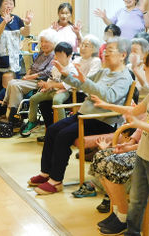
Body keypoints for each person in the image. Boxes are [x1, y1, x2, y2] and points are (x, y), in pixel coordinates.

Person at [86, 44, 149, 235]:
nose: (145, 68)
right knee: (138, 199)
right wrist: (106, 105)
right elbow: (134, 111)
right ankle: (132, 232)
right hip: (144, 154)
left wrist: (137, 124)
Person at [27, 37, 133, 195]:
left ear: (123, 55)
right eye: (106, 50)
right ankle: (46, 173)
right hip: (85, 115)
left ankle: (56, 181)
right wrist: (67, 75)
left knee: (63, 136)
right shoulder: (104, 72)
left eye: (110, 51)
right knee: (52, 130)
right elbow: (83, 84)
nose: (105, 54)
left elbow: (109, 97)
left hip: (102, 120)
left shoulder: (124, 77)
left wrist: (87, 84)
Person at [36, 34, 102, 142]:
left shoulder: (96, 61)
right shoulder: (76, 60)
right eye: (82, 44)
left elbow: (87, 80)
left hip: (82, 93)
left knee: (57, 101)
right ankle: (51, 132)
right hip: (70, 90)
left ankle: (60, 132)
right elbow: (65, 76)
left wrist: (65, 86)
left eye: (87, 45)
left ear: (94, 48)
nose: (83, 47)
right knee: (44, 104)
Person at [0, 29, 56, 125]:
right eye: (41, 41)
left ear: (53, 42)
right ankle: (13, 115)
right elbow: (32, 66)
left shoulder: (54, 55)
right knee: (11, 82)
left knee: (15, 85)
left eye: (46, 41)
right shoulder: (41, 52)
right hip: (31, 79)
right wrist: (27, 75)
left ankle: (11, 112)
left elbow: (47, 72)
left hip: (41, 82)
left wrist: (29, 77)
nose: (43, 44)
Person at [20, 42, 77, 137]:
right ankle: (33, 121)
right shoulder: (55, 67)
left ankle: (61, 126)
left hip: (65, 92)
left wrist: (52, 85)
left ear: (69, 56)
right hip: (52, 90)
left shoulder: (71, 68)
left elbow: (68, 84)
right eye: (56, 55)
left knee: (57, 100)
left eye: (60, 55)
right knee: (34, 98)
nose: (57, 58)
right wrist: (46, 86)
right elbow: (51, 79)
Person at [0, 0, 34, 94]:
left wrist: (28, 24)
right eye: (6, 3)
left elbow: (25, 32)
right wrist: (4, 22)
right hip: (1, 61)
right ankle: (2, 109)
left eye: (11, 3)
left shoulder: (17, 19)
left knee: (15, 90)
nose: (9, 6)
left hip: (15, 60)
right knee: (1, 91)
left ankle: (13, 109)